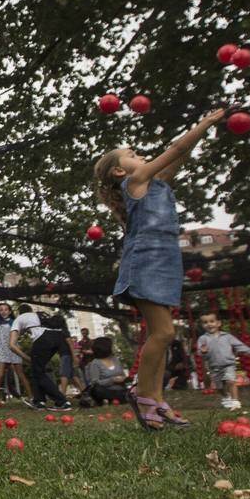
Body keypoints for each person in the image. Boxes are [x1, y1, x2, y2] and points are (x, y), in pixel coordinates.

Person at [93, 109, 225, 430]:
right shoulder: (136, 181)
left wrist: (199, 136)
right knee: (164, 333)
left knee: (163, 335)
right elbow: (177, 149)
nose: (140, 155)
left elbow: (180, 155)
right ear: (119, 172)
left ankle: (155, 399)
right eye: (132, 154)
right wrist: (204, 123)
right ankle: (144, 396)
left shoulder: (158, 184)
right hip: (145, 263)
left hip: (164, 263)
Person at [9, 304, 74, 411]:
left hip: (43, 339)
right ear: (30, 310)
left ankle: (62, 402)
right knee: (37, 371)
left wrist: (26, 358)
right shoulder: (37, 315)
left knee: (38, 372)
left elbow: (12, 345)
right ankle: (39, 401)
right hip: (58, 337)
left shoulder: (19, 319)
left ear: (19, 312)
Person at [197, 311, 250, 410]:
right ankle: (226, 397)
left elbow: (239, 346)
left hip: (228, 365)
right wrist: (203, 352)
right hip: (214, 367)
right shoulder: (202, 339)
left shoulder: (227, 336)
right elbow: (200, 354)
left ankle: (235, 401)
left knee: (231, 381)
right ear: (202, 325)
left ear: (218, 323)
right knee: (219, 387)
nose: (209, 324)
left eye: (211, 321)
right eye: (205, 322)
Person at [0, 301, 28, 407]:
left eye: (6, 309)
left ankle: (32, 397)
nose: (3, 312)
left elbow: (22, 331)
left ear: (10, 311)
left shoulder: (15, 322)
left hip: (14, 349)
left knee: (20, 374)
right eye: (1, 310)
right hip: (0, 350)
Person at [79, 336, 129, 406]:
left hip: (120, 389)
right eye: (111, 346)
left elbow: (122, 375)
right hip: (105, 391)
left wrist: (125, 379)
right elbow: (94, 383)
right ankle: (115, 399)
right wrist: (112, 380)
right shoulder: (95, 363)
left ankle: (116, 398)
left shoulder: (115, 359)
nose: (113, 348)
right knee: (97, 390)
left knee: (133, 390)